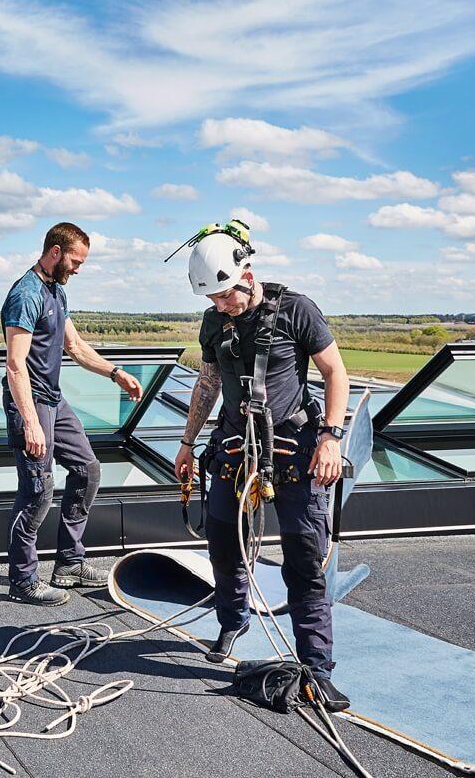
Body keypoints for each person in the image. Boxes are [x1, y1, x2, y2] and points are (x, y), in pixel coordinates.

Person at [172, 222, 352, 711]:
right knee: (223, 541)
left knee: (303, 557)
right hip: (233, 446)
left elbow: (336, 373)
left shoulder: (297, 311)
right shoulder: (215, 322)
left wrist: (331, 439)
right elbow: (208, 383)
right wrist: (188, 443)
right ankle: (232, 621)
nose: (219, 305)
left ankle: (316, 666)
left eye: (225, 295)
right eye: (211, 299)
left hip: (294, 449)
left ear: (246, 275)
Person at [2, 222, 143, 606]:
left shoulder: (56, 291)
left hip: (54, 400)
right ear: (55, 252)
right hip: (29, 403)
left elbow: (76, 347)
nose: (78, 268)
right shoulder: (25, 294)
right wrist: (30, 422)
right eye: (76, 260)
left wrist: (116, 374)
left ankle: (69, 563)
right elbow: (15, 366)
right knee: (37, 490)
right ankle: (23, 580)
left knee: (87, 469)